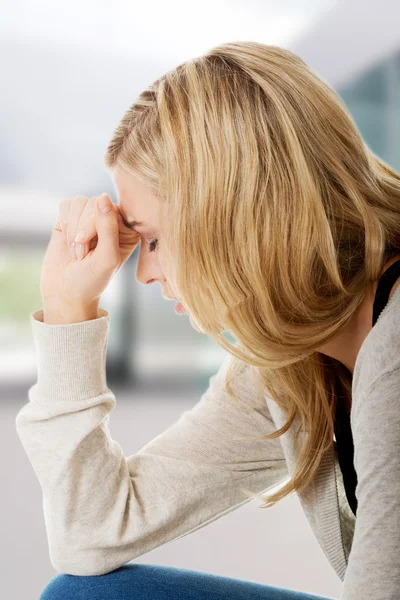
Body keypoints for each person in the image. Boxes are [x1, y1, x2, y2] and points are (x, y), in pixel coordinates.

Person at [16, 41, 400, 599]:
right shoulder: (288, 361)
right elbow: (91, 533)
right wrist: (67, 309)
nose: (142, 271)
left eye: (151, 238)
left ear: (229, 214)